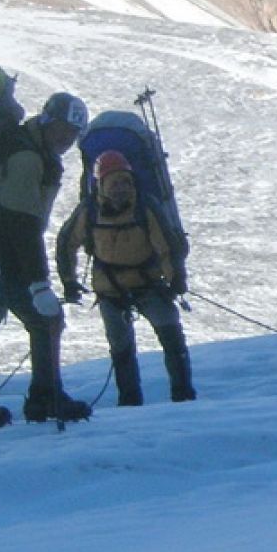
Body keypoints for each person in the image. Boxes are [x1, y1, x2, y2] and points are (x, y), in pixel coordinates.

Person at [0, 90, 93, 432]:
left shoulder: (32, 149)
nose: (65, 139)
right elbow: (22, 225)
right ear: (48, 121)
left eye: (72, 135)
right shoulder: (26, 158)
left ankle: (15, 399)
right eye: (62, 129)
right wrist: (39, 284)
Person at [56, 150, 195, 405]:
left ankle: (183, 394)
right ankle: (130, 401)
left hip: (148, 285)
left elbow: (167, 247)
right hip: (112, 290)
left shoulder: (144, 207)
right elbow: (66, 244)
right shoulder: (90, 210)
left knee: (171, 336)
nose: (121, 188)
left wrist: (175, 280)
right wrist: (69, 280)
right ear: (101, 185)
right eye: (114, 183)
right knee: (122, 349)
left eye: (125, 182)